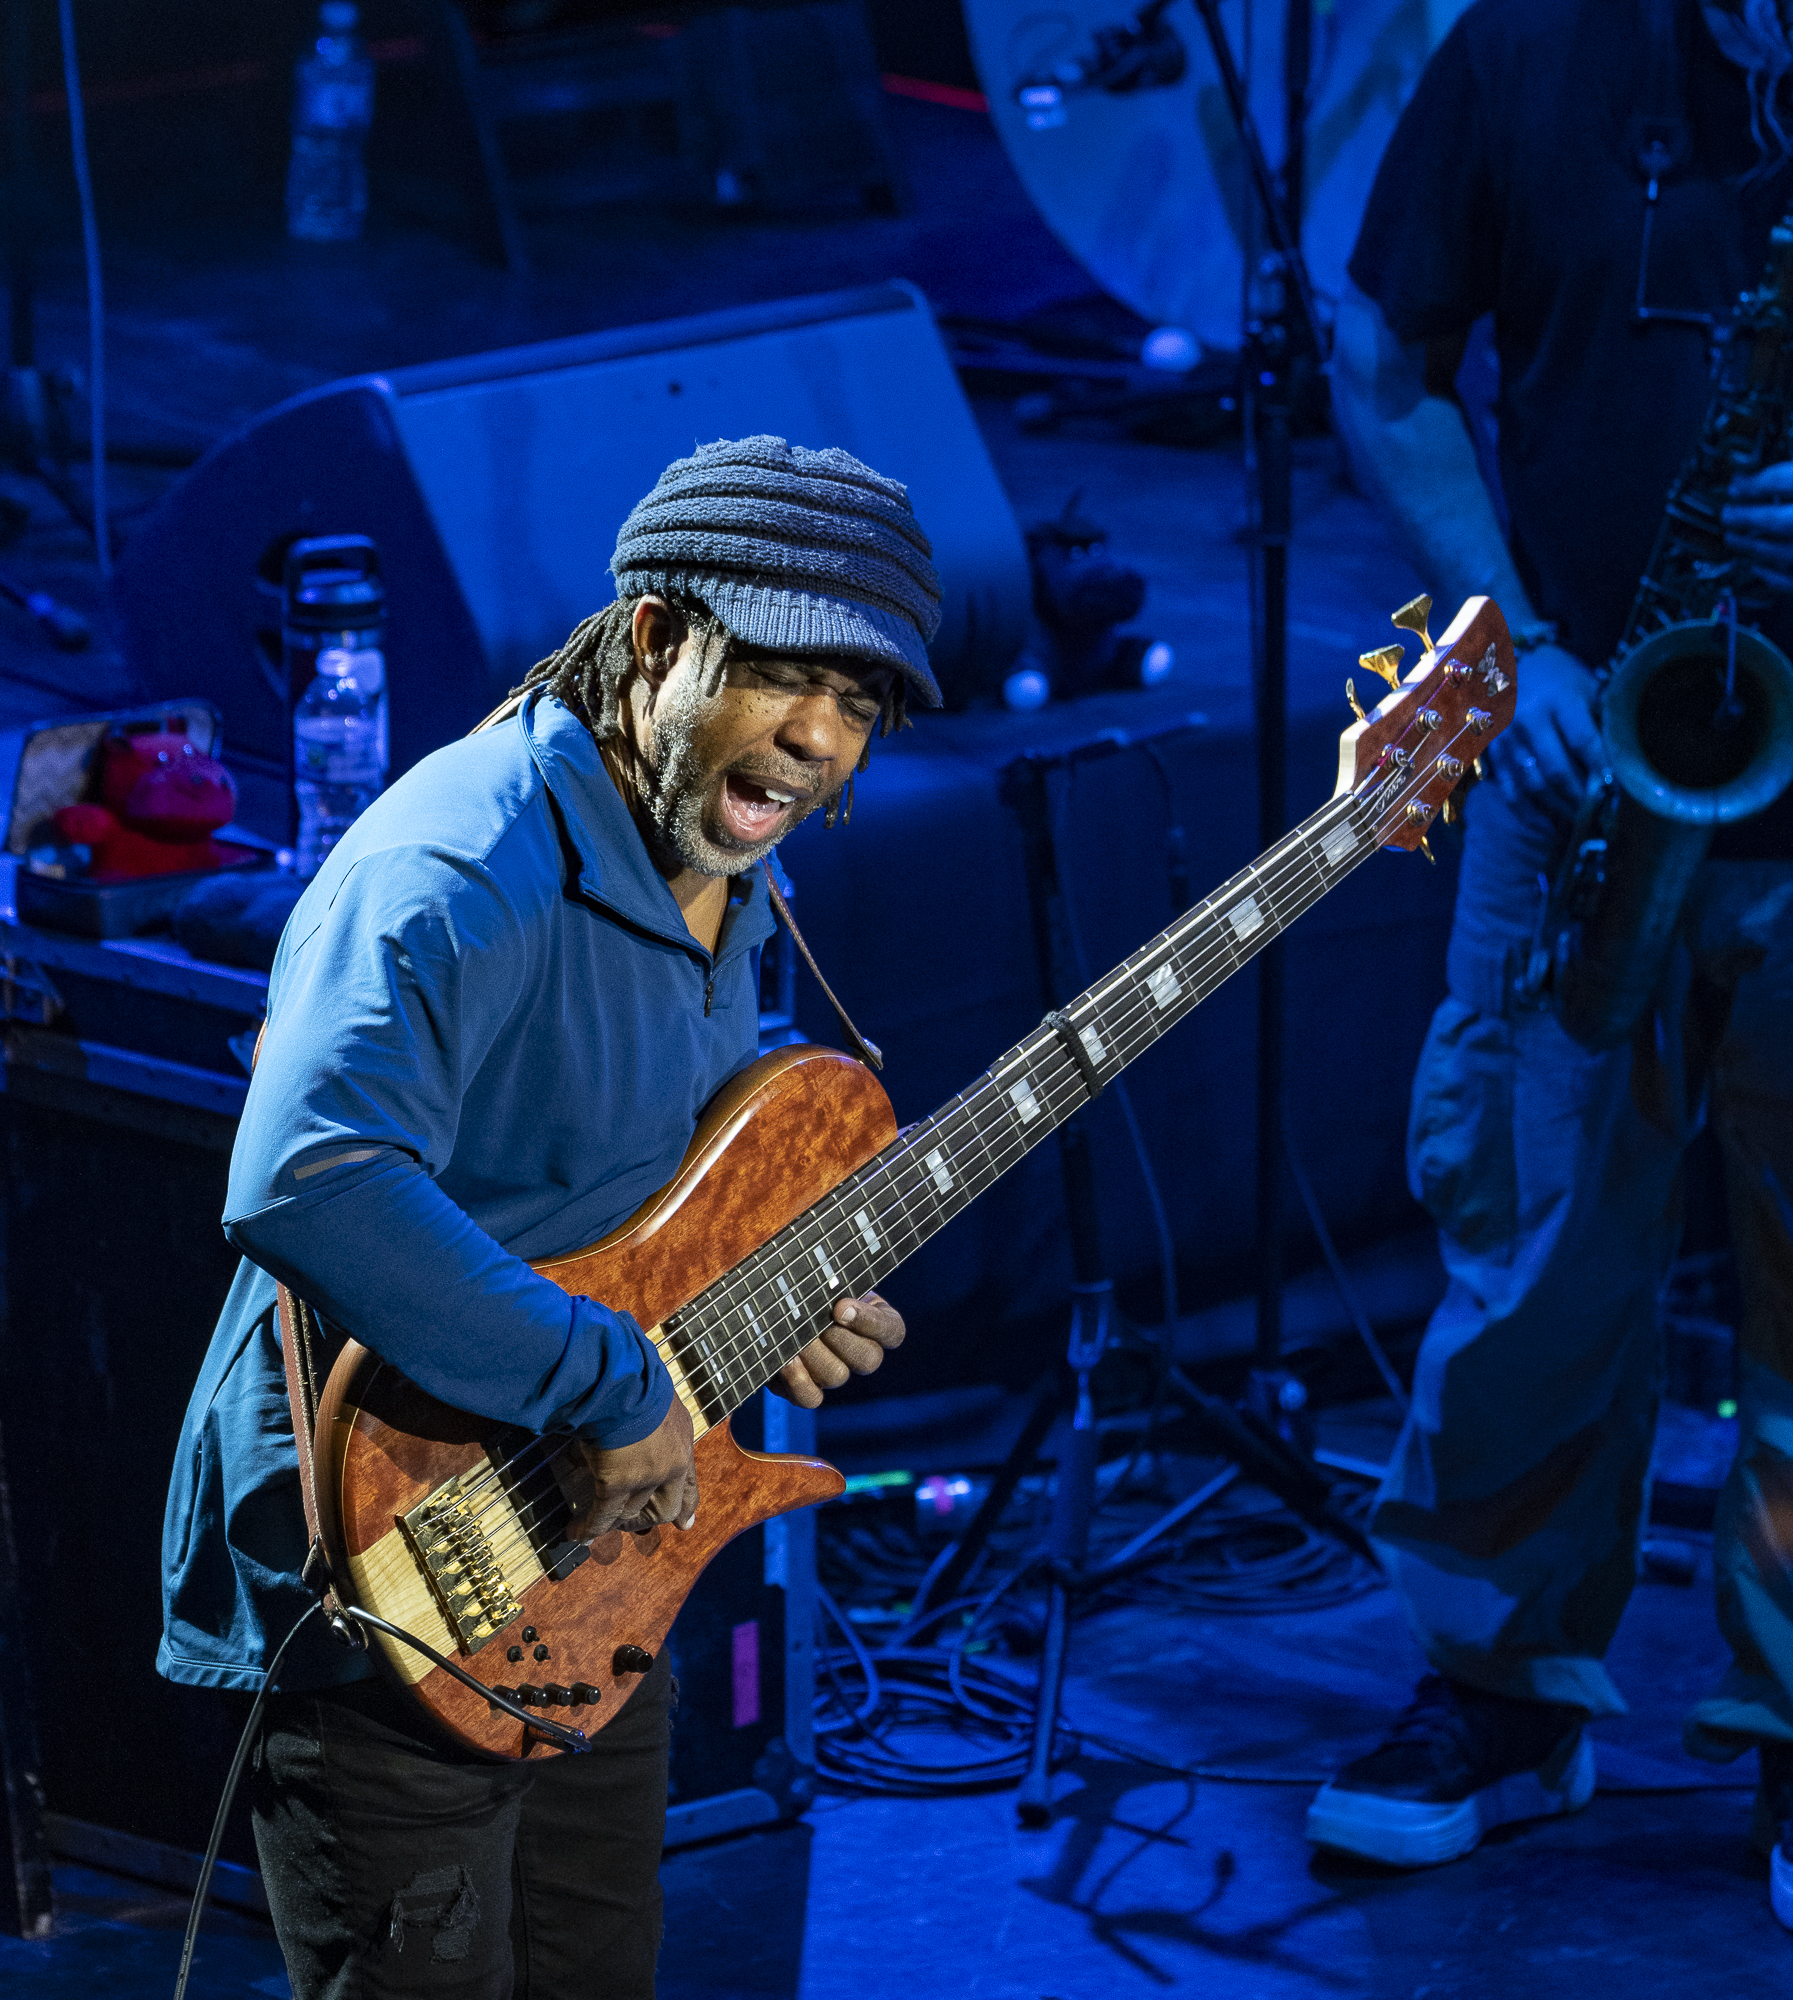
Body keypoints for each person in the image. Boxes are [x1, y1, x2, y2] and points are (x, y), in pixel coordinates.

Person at [159, 435, 942, 1997]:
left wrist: (761, 1316)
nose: (817, 738)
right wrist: (613, 1381)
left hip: (593, 1565)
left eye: (857, 706)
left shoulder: (714, 863)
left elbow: (620, 1212)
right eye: (783, 677)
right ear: (654, 641)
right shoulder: (458, 865)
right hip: (388, 1569)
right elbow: (306, 1176)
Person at [1309, 0, 1793, 1921]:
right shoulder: (1531, 46)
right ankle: (1502, 1694)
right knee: (1523, 1249)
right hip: (1584, 752)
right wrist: (1499, 640)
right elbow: (1383, 355)